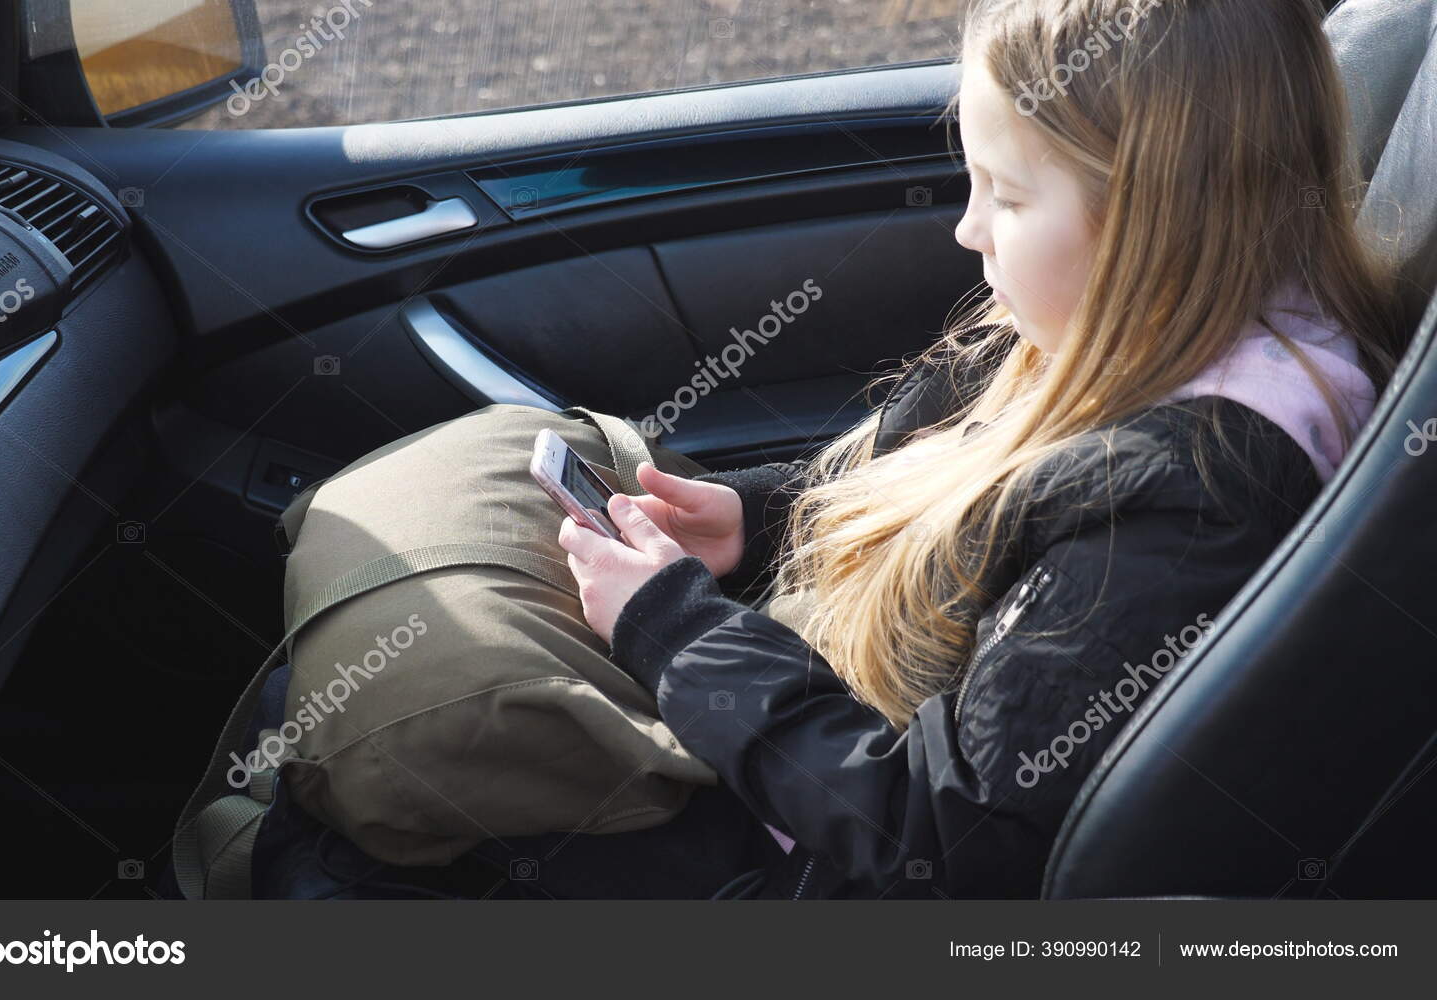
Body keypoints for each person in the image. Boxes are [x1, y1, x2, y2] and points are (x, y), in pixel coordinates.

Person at [556, 0, 1404, 898]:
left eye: (1006, 194)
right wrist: (767, 518)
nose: (968, 227)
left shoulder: (1173, 517)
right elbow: (960, 492)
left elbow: (938, 836)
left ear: (1152, 217)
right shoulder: (1146, 331)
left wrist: (677, 633)